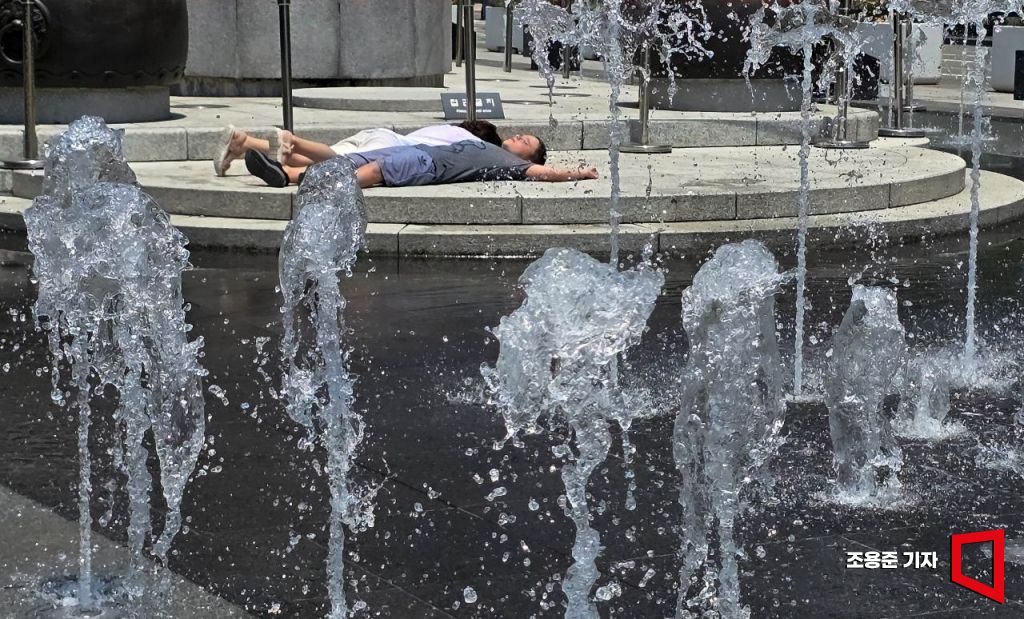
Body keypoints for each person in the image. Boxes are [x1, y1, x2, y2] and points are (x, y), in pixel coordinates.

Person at [244, 135, 598, 188]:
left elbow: (545, 173)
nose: (519, 137)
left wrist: (580, 174)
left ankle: (316, 184)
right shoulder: (487, 143)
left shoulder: (512, 165)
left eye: (526, 142)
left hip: (427, 165)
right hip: (418, 150)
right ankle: (287, 173)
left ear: (528, 156)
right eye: (522, 134)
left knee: (375, 172)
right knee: (351, 159)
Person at [213, 120, 503, 177]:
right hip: (389, 147)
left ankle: (245, 143)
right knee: (337, 161)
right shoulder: (472, 145)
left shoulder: (447, 127)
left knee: (327, 155)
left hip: (379, 134)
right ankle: (290, 147)